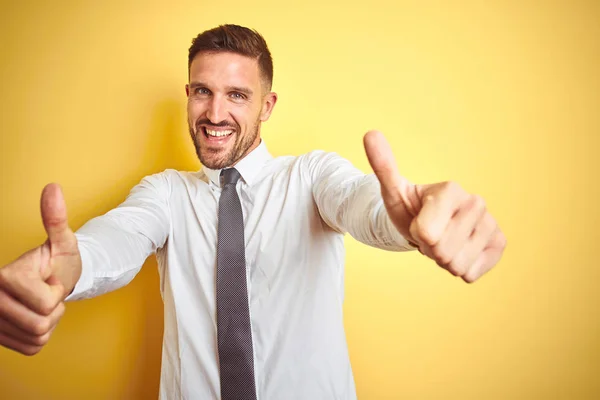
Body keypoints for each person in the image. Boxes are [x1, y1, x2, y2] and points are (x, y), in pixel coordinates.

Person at [0, 24, 507, 399]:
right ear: (189, 95)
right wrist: (71, 268)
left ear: (267, 105)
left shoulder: (310, 177)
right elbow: (119, 237)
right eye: (203, 91)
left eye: (237, 95)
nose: (215, 114)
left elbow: (362, 203)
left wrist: (406, 222)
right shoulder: (167, 194)